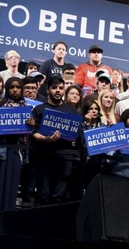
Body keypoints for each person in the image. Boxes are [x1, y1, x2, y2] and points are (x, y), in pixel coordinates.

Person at [0, 77, 35, 232]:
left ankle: (5, 227)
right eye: (12, 87)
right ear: (7, 89)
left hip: (15, 152)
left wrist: (32, 125)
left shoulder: (27, 109)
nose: (15, 90)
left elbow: (28, 135)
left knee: (10, 189)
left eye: (18, 87)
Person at [30, 74, 80, 205]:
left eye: (61, 88)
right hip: (44, 156)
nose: (58, 90)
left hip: (65, 157)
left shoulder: (72, 111)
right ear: (47, 90)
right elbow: (34, 132)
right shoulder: (39, 109)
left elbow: (78, 133)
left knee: (59, 195)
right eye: (54, 87)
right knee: (43, 194)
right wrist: (46, 139)